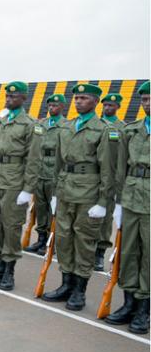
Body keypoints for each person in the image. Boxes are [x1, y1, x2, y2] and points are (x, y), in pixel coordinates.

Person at [42, 83, 116, 310]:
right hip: (65, 189)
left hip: (89, 192)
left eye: (84, 98)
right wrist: (55, 193)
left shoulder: (103, 129)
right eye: (76, 98)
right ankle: (66, 284)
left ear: (95, 102)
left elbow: (108, 169)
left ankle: (79, 291)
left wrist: (103, 202)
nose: (78, 102)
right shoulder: (67, 127)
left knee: (84, 240)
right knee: (64, 238)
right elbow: (58, 164)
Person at [0, 82, 41, 291]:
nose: (9, 99)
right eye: (8, 96)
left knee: (11, 226)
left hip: (15, 182)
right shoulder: (1, 123)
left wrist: (27, 189)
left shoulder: (30, 125)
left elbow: (34, 159)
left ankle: (9, 272)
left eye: (14, 96)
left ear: (24, 99)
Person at [105, 81, 149, 333]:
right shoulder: (131, 131)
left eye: (150, 99)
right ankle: (129, 302)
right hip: (131, 198)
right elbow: (120, 168)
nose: (147, 104)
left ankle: (145, 309)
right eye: (144, 100)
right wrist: (119, 201)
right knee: (129, 252)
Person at [24, 94, 67, 255]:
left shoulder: (66, 125)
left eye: (55, 105)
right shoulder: (40, 124)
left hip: (55, 170)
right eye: (49, 105)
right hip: (40, 170)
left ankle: (52, 241)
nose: (51, 108)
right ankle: (41, 238)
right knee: (40, 207)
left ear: (62, 107)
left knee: (53, 209)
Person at [95, 92, 127, 271]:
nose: (107, 108)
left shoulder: (123, 128)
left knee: (105, 217)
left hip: (111, 178)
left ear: (118, 108)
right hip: (92, 176)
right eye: (105, 105)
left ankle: (100, 252)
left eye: (111, 106)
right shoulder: (97, 125)